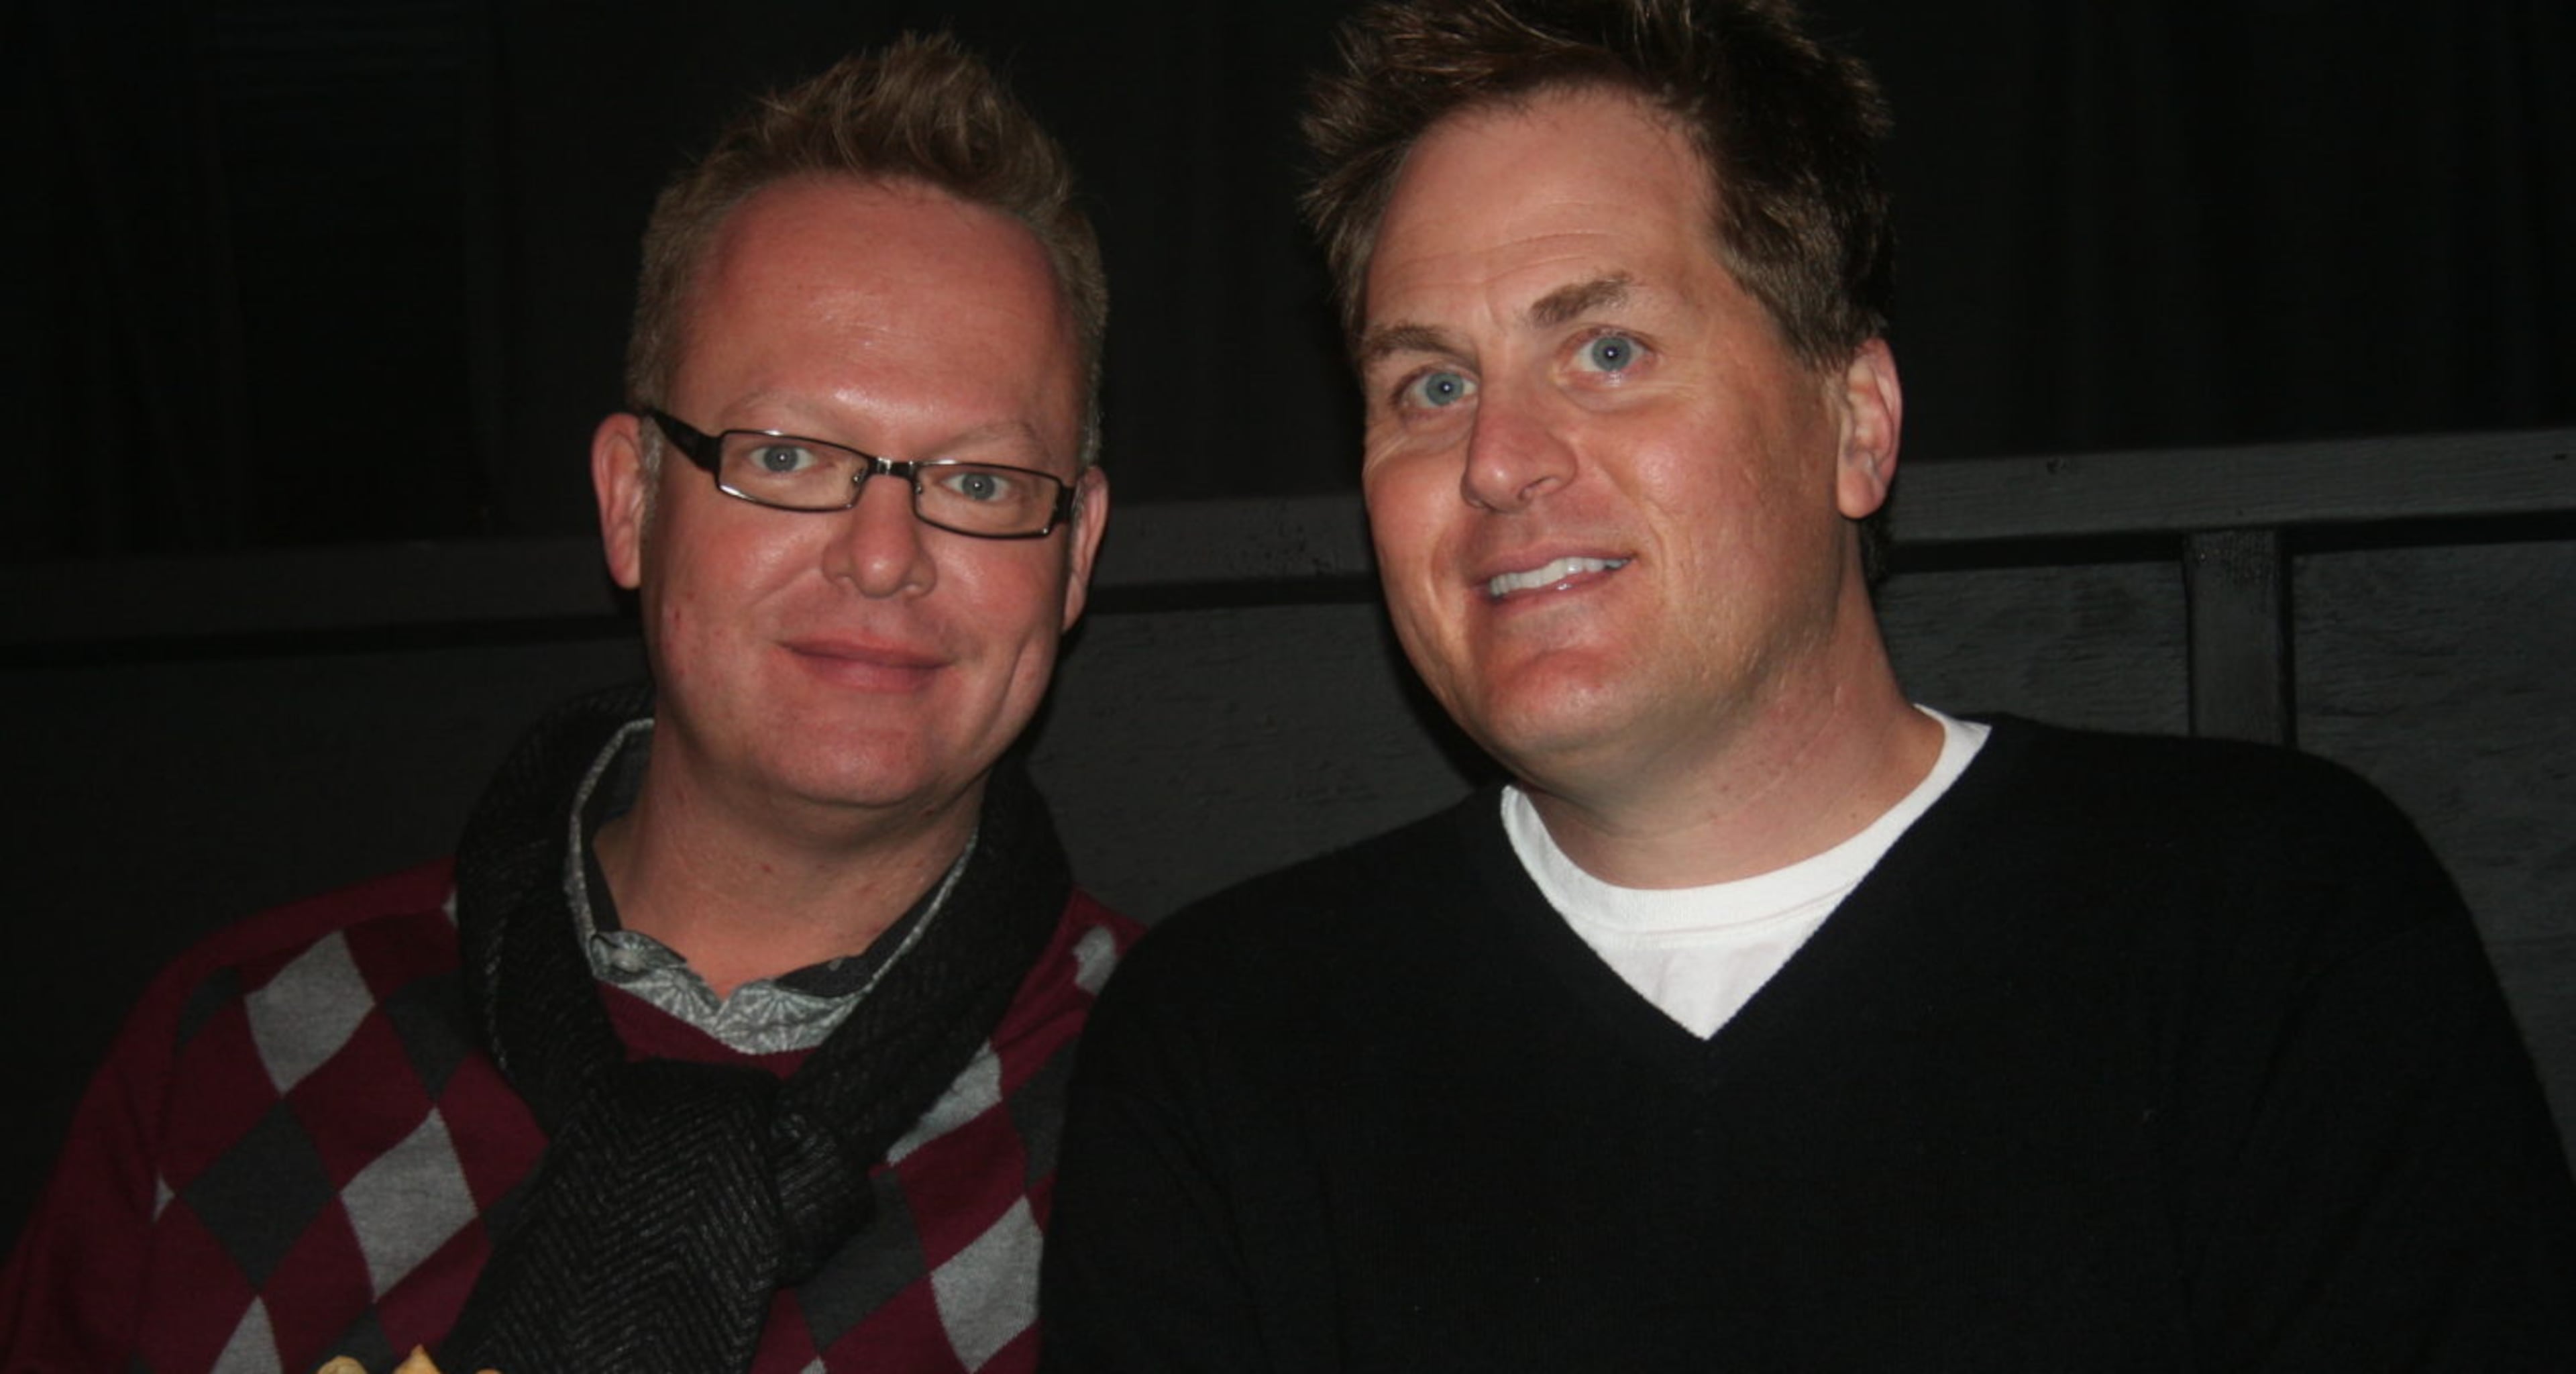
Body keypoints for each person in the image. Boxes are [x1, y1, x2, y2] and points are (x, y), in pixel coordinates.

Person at [1038, 0, 2576, 1367]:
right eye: (1430, 386)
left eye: (1610, 349)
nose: (1498, 460)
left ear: (1857, 422)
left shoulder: (2268, 929)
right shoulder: (1230, 1046)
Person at [4, 34, 1132, 1374]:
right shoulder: (239, 1056)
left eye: (983, 482)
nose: (882, 552)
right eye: (784, 456)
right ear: (632, 500)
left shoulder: (1187, 1114)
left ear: (1076, 555)